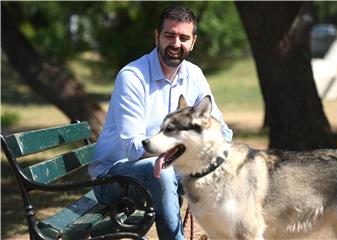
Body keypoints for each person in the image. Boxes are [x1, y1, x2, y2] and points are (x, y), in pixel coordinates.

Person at [88, 6, 233, 240]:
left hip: (167, 167)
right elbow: (134, 149)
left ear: (193, 42)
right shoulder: (132, 77)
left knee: (230, 166)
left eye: (184, 38)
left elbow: (221, 130)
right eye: (169, 35)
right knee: (163, 172)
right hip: (114, 178)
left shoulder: (194, 75)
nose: (176, 43)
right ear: (157, 36)